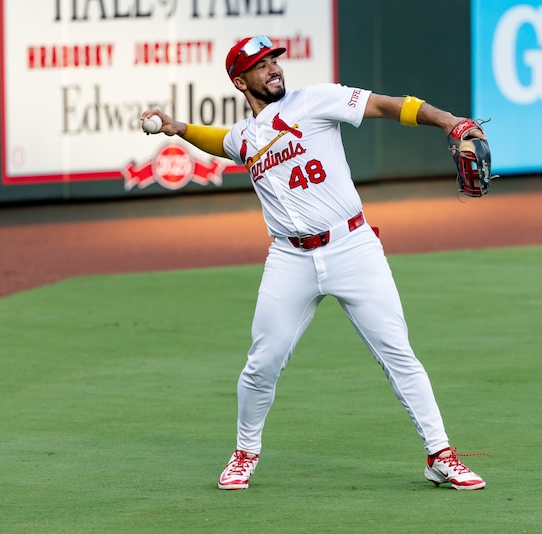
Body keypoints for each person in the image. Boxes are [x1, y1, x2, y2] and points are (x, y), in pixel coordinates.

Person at [140, 35, 486, 491]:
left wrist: (448, 121)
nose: (274, 68)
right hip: (290, 258)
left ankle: (440, 454)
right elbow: (222, 141)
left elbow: (386, 106)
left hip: (352, 246)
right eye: (261, 65)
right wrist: (178, 127)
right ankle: (244, 453)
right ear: (240, 81)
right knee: (262, 363)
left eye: (274, 60)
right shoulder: (246, 136)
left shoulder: (316, 100)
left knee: (398, 353)